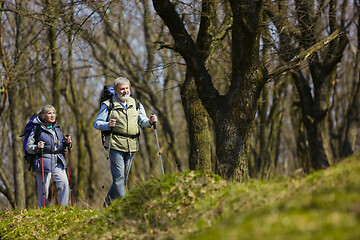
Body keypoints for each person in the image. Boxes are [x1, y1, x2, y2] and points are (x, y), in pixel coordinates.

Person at [93, 77, 157, 205]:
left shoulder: (136, 103)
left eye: (127, 88)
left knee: (123, 180)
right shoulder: (108, 104)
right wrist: (107, 124)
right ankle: (125, 205)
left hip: (132, 145)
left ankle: (107, 205)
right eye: (122, 89)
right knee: (119, 178)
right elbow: (97, 123)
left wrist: (150, 122)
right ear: (116, 90)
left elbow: (142, 121)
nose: (125, 91)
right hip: (115, 144)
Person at [26, 104, 72, 207]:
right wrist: (37, 147)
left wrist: (66, 143)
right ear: (42, 116)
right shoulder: (36, 129)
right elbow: (28, 147)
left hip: (58, 160)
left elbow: (61, 148)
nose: (52, 115)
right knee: (43, 189)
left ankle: (64, 209)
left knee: (64, 184)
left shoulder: (57, 128)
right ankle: (43, 211)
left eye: (54, 113)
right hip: (43, 161)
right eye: (49, 113)